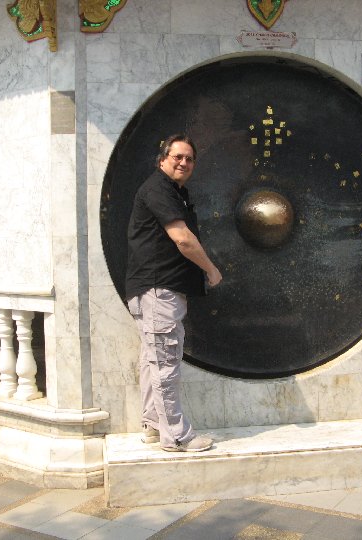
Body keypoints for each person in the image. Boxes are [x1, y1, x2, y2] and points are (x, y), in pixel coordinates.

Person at [125, 134, 223, 452]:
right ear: (163, 159)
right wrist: (211, 269)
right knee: (166, 364)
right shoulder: (159, 189)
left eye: (189, 158)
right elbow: (182, 239)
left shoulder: (172, 192)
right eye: (178, 156)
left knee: (153, 361)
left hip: (156, 290)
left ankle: (154, 425)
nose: (183, 162)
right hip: (158, 291)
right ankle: (177, 436)